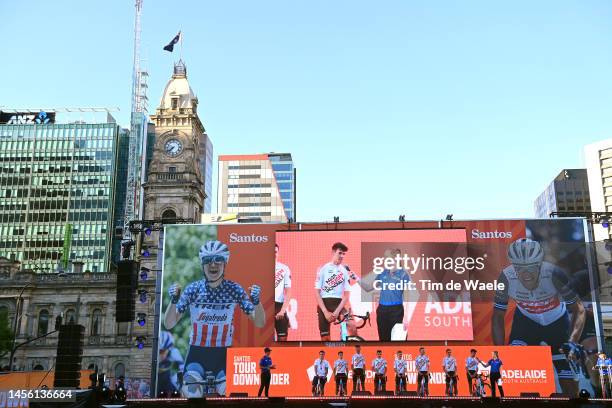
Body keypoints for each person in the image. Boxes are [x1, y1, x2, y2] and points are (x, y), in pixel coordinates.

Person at [492, 238, 586, 396]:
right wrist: (499, 351)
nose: (526, 273)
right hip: (526, 323)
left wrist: (572, 342)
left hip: (557, 323)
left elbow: (579, 309)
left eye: (531, 267)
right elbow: (497, 316)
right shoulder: (506, 277)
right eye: (519, 268)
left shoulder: (553, 273)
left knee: (570, 389)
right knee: (516, 366)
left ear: (539, 265)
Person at [164, 240, 266, 349]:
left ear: (225, 263)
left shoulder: (234, 289)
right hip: (197, 351)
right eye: (207, 260)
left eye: (218, 260)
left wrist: (256, 302)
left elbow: (259, 323)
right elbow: (169, 324)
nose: (213, 264)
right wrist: (173, 301)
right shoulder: (193, 289)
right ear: (202, 265)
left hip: (223, 352)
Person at [350, 248, 411, 341]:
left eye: (387, 257)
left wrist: (406, 317)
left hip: (396, 311)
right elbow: (368, 288)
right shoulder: (383, 273)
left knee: (397, 340)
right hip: (382, 311)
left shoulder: (403, 274)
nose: (385, 259)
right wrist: (356, 278)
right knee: (383, 340)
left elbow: (407, 297)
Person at [314, 242, 356, 341]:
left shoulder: (345, 271)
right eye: (340, 253)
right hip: (323, 304)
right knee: (325, 339)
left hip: (338, 304)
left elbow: (346, 295)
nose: (342, 256)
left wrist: (337, 312)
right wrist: (325, 312)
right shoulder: (322, 269)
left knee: (352, 326)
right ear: (333, 252)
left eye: (343, 254)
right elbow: (317, 292)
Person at [157, 331, 185, 396]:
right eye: (157, 351)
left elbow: (182, 368)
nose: (159, 354)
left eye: (161, 351)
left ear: (168, 349)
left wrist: (178, 384)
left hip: (166, 380)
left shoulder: (173, 352)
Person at [274, 244, 292, 341]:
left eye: (275, 252)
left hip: (279, 305)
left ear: (278, 253)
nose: (273, 254)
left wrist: (282, 310)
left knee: (283, 339)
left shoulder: (284, 268)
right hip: (265, 307)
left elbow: (288, 292)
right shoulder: (261, 267)